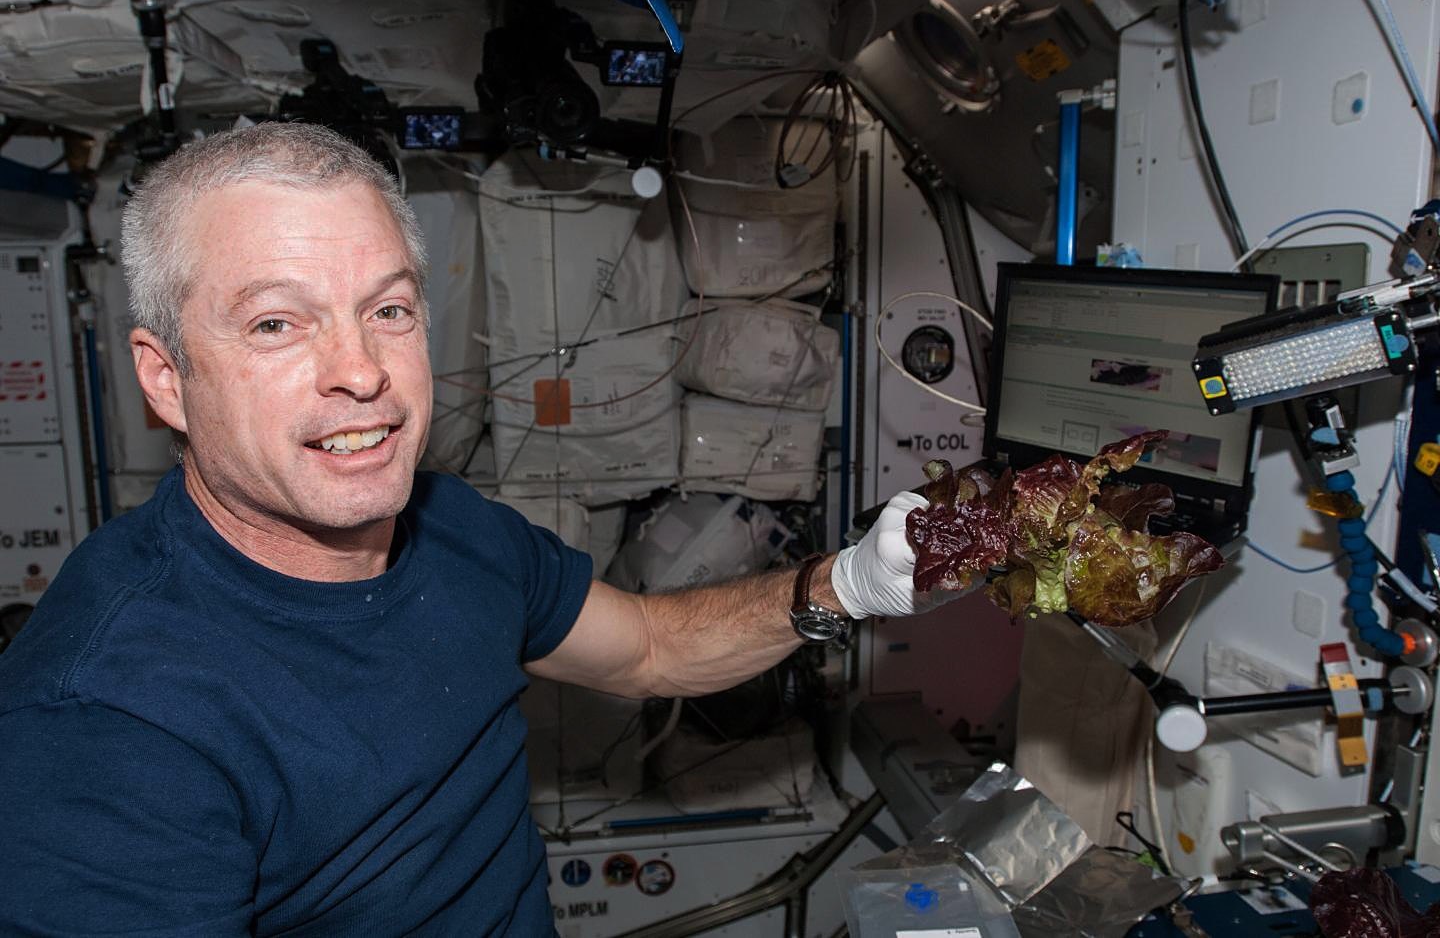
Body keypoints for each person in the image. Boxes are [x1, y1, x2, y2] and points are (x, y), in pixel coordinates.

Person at [0, 122, 944, 936]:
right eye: (278, 324)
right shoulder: (103, 721)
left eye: (388, 309)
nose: (361, 370)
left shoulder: (447, 525)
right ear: (166, 378)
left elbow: (650, 650)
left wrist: (851, 584)